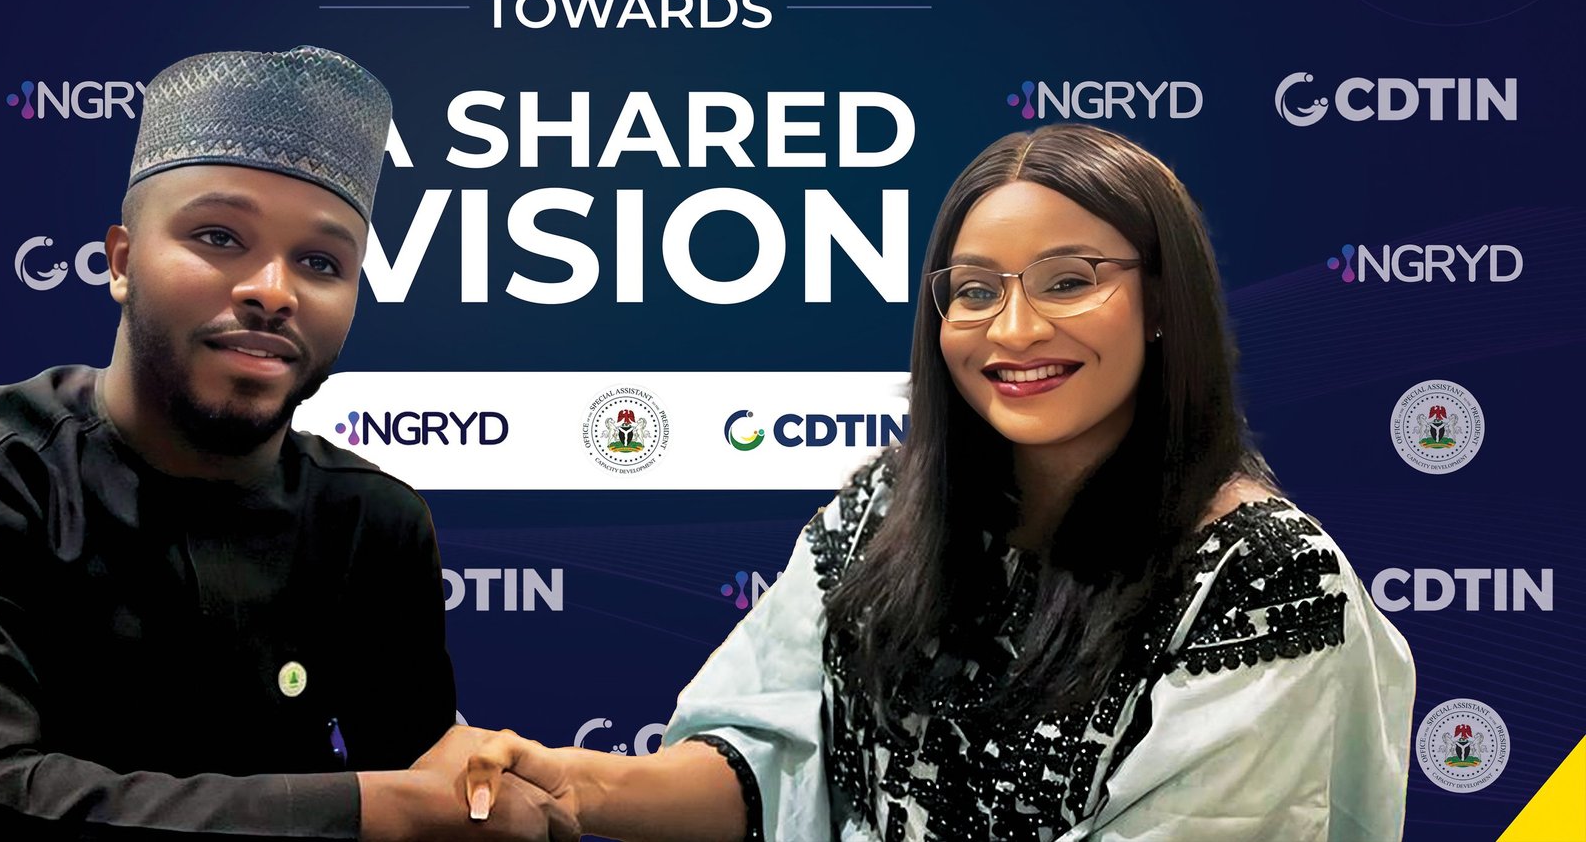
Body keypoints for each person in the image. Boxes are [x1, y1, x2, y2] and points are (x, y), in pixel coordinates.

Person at [458, 124, 1416, 841]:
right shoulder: (883, 510)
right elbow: (766, 758)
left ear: (1163, 301)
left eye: (1068, 281)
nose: (1013, 331)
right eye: (974, 291)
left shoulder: (1263, 576)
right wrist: (570, 784)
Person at [0, 46, 574, 842]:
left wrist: (481, 793)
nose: (273, 290)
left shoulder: (371, 522)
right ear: (123, 262)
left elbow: (432, 785)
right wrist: (386, 809)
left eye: (320, 261)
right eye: (218, 237)